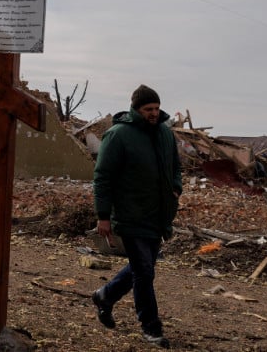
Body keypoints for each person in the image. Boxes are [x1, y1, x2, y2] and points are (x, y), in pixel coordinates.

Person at [91, 84, 182, 349]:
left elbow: (176, 167)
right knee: (144, 271)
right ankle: (151, 328)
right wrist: (103, 215)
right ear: (136, 109)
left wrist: (176, 187)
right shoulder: (118, 135)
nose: (153, 113)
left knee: (144, 267)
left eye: (156, 108)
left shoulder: (165, 134)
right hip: (130, 214)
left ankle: (105, 296)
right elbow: (103, 177)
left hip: (158, 216)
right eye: (147, 109)